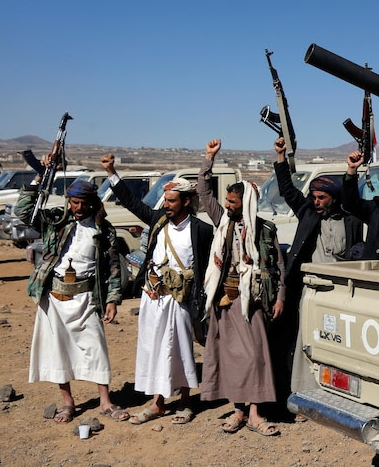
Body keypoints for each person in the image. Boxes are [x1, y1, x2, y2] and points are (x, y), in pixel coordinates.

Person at [100, 153, 213, 425]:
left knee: (180, 349)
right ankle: (157, 403)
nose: (167, 206)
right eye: (165, 202)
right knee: (152, 349)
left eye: (172, 201)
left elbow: (208, 267)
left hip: (180, 300)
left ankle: (185, 401)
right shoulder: (159, 221)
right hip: (152, 297)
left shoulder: (200, 230)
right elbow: (131, 202)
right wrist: (111, 172)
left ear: (186, 201)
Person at [16, 175, 129, 424]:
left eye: (83, 203)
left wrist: (112, 300)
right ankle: (68, 403)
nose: (78, 208)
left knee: (96, 349)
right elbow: (23, 212)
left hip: (87, 298)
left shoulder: (103, 230)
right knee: (57, 351)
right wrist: (38, 179)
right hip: (53, 298)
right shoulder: (55, 222)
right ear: (69, 201)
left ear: (91, 203)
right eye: (74, 202)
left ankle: (105, 402)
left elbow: (113, 267)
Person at [199, 138, 285, 436]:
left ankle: (256, 414)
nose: (227, 206)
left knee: (256, 356)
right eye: (226, 202)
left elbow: (278, 267)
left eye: (233, 202)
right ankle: (238, 410)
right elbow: (204, 192)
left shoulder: (264, 230)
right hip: (225, 299)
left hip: (255, 301)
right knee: (230, 356)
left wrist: (280, 297)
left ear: (246, 202)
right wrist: (209, 160)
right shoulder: (221, 221)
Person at [271, 138, 362, 409]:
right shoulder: (309, 213)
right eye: (314, 197)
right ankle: (303, 392)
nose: (317, 201)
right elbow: (288, 190)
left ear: (334, 199)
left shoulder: (351, 220)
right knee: (305, 341)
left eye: (322, 198)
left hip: (340, 294)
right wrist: (279, 156)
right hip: (310, 291)